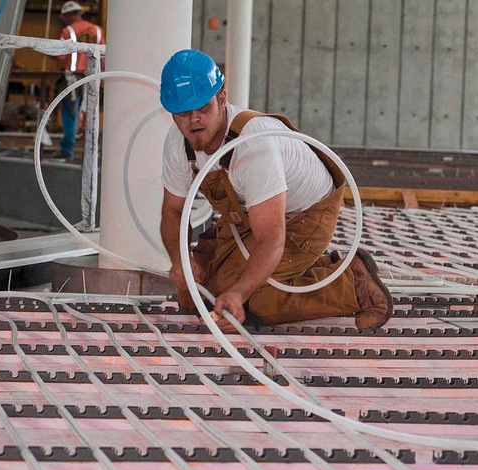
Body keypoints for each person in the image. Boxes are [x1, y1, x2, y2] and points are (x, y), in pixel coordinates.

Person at [159, 49, 392, 330]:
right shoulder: (178, 142)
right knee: (200, 284)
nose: (194, 120)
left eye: (203, 108)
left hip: (304, 215)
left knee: (251, 302)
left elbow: (271, 237)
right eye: (183, 113)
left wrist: (240, 294)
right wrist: (179, 259)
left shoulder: (252, 146)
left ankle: (352, 283)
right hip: (253, 212)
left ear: (221, 98)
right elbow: (173, 210)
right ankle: (310, 270)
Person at [54, 1, 104, 159]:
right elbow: (103, 56)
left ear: (68, 15)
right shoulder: (97, 30)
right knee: (91, 114)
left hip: (73, 80)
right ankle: (91, 152)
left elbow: (61, 57)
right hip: (93, 78)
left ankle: (67, 150)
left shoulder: (67, 31)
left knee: (70, 113)